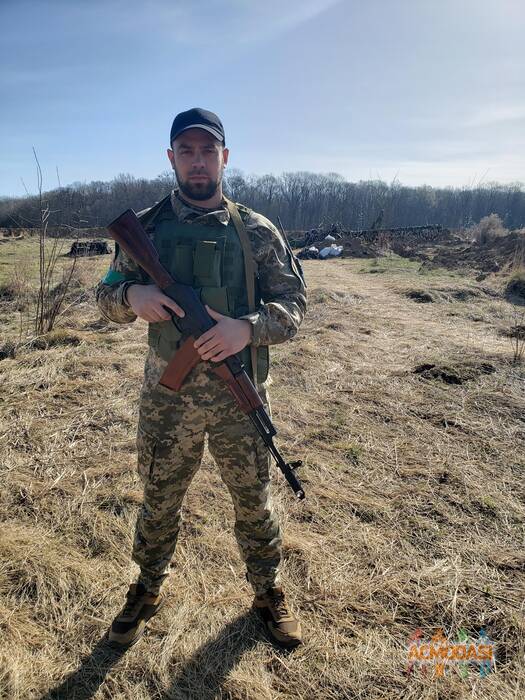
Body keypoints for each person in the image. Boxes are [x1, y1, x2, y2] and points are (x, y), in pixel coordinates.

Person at [95, 107, 307, 649]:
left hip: (241, 396)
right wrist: (132, 295)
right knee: (159, 495)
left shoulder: (256, 231)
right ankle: (146, 587)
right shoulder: (141, 230)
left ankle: (267, 591)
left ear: (224, 158)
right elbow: (106, 295)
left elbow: (294, 305)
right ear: (171, 158)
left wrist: (248, 328)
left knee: (253, 498)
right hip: (168, 397)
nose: (197, 162)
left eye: (207, 151)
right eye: (186, 151)